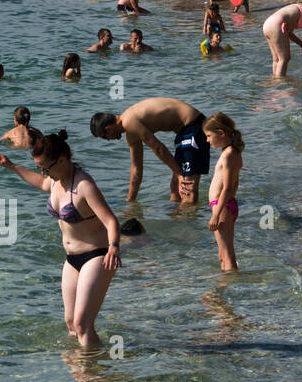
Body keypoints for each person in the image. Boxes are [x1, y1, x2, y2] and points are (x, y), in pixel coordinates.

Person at [0, 132, 122, 348]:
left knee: (82, 323)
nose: (43, 172)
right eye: (40, 167)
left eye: (46, 167)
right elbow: (41, 183)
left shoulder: (84, 185)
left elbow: (111, 221)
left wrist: (114, 247)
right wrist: (11, 166)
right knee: (70, 323)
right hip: (71, 260)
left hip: (97, 256)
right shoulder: (53, 180)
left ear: (62, 160)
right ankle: (81, 366)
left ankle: (93, 376)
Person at [90, 97, 210, 202]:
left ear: (108, 129)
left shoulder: (129, 121)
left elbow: (158, 148)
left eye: (105, 137)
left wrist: (179, 174)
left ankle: (188, 224)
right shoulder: (130, 134)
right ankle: (177, 223)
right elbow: (136, 169)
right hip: (183, 132)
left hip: (194, 125)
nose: (109, 140)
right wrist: (131, 201)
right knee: (175, 188)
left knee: (186, 188)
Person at [204, 114, 244, 272]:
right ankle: (223, 291)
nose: (207, 140)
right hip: (227, 206)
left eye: (208, 136)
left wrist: (216, 214)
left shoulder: (228, 156)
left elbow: (227, 188)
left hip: (221, 207)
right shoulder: (234, 152)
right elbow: (235, 184)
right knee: (223, 255)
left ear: (221, 133)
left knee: (227, 257)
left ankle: (229, 287)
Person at [261, 0, 302, 76]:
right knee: (284, 58)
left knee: (276, 58)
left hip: (268, 24)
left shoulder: (301, 8)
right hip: (277, 24)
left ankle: (275, 82)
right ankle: (281, 82)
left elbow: (289, 33)